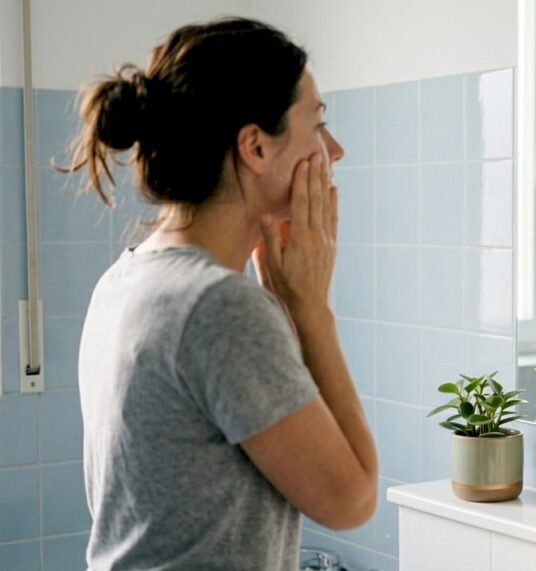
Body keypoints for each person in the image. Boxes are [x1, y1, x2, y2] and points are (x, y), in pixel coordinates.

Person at [66, 18, 377, 569]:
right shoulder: (219, 306)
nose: (336, 150)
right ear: (255, 146)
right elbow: (351, 501)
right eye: (318, 124)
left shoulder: (126, 278)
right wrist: (310, 308)